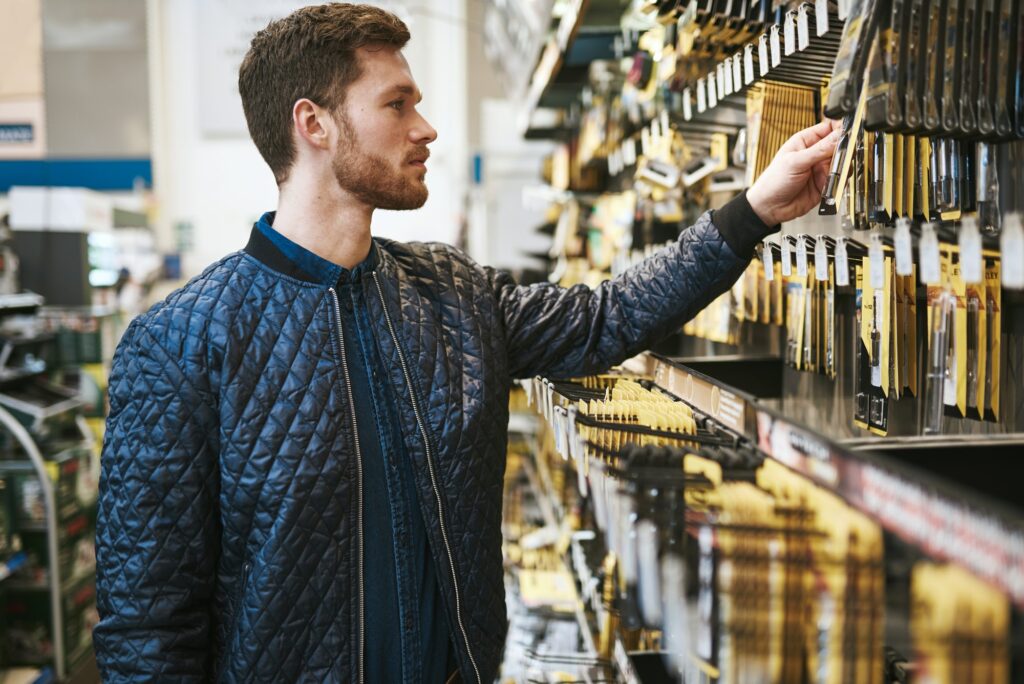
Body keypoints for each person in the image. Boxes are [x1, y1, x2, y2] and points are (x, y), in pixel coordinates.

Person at [92, 4, 840, 682]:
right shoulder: (180, 344)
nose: (426, 127)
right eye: (397, 104)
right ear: (313, 124)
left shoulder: (452, 295)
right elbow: (147, 626)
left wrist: (752, 212)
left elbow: (607, 316)